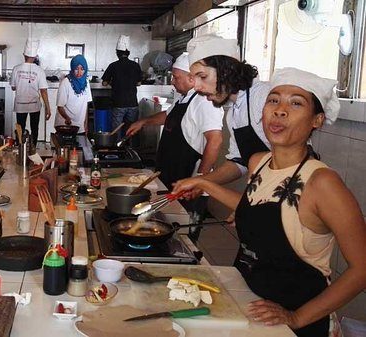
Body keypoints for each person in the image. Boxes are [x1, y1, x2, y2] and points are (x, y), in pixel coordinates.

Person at [173, 68, 366, 337]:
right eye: (273, 100)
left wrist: (297, 318)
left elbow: (361, 269)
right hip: (249, 302)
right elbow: (257, 205)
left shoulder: (323, 183)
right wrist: (204, 183)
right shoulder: (259, 162)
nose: (280, 110)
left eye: (296, 103)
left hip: (298, 320)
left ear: (317, 120)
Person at [126, 53, 223, 231]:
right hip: (171, 175)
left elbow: (215, 140)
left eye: (176, 77)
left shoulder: (204, 101)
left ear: (191, 78)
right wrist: (143, 122)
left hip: (189, 181)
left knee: (182, 232)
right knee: (164, 226)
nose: (172, 81)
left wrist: (201, 180)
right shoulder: (184, 97)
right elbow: (167, 116)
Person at [173, 35, 272, 198]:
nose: (196, 86)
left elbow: (291, 159)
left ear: (226, 70)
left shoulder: (263, 97)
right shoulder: (233, 113)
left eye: (202, 76)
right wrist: (200, 182)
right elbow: (239, 163)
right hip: (266, 193)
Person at [102, 35, 143, 138]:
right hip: (132, 103)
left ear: (117, 53)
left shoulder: (113, 65)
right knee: (132, 129)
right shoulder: (135, 65)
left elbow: (104, 83)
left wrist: (114, 83)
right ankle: (131, 150)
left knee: (116, 130)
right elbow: (138, 83)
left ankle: (117, 150)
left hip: (118, 103)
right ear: (128, 53)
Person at [10, 38, 50, 144]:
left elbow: (13, 87)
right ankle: (33, 150)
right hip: (34, 104)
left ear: (24, 55)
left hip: (20, 104)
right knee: (34, 128)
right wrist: (48, 108)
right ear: (35, 56)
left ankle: (20, 148)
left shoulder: (16, 69)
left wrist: (21, 85)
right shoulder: (39, 70)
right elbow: (43, 91)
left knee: (20, 128)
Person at [55, 55, 92, 135]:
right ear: (72, 68)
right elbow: (60, 106)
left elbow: (86, 105)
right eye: (76, 69)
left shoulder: (86, 83)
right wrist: (67, 118)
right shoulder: (66, 82)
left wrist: (86, 123)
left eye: (82, 69)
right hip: (65, 125)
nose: (79, 72)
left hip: (79, 126)